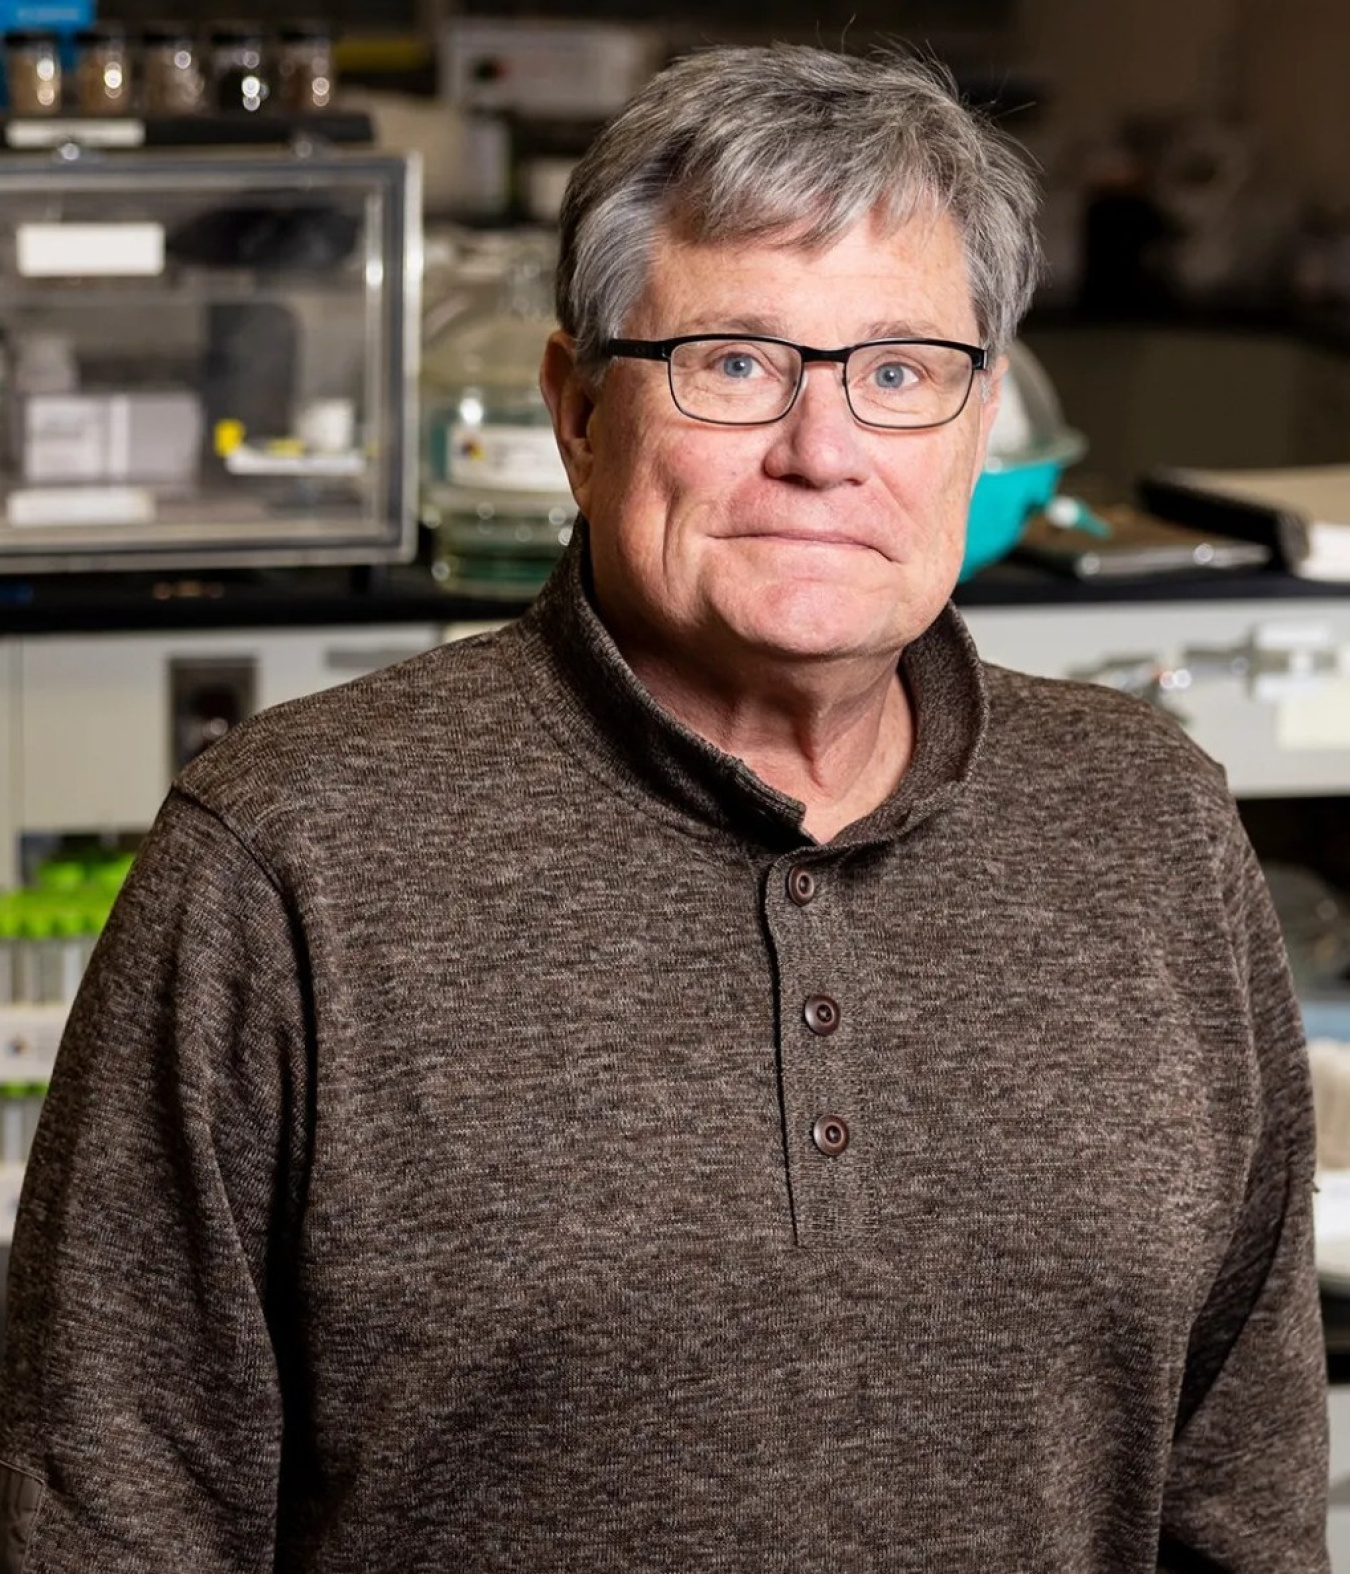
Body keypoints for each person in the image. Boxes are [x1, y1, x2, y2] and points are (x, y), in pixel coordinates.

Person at [0, 44, 1329, 1574]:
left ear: (978, 428)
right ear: (576, 412)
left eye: (898, 372)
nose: (819, 451)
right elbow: (112, 1514)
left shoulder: (1146, 825)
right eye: (734, 362)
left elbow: (1242, 1494)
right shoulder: (289, 852)